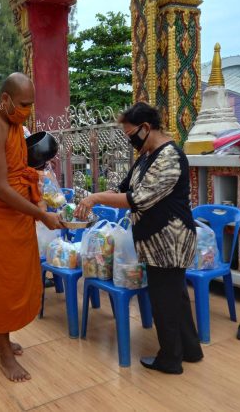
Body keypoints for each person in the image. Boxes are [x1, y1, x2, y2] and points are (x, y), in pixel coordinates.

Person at [74, 102, 203, 375]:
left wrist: (95, 198)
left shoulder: (169, 157)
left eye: (131, 134)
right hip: (154, 240)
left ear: (146, 128)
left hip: (170, 239)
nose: (130, 140)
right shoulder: (146, 155)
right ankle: (190, 349)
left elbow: (138, 199)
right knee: (175, 296)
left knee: (164, 300)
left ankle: (170, 359)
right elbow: (123, 188)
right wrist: (93, 195)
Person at [0, 72, 63, 382]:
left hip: (12, 211)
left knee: (12, 275)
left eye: (31, 104)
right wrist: (41, 215)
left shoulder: (11, 122)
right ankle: (3, 353)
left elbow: (16, 166)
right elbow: (0, 187)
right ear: (4, 99)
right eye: (22, 104)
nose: (27, 110)